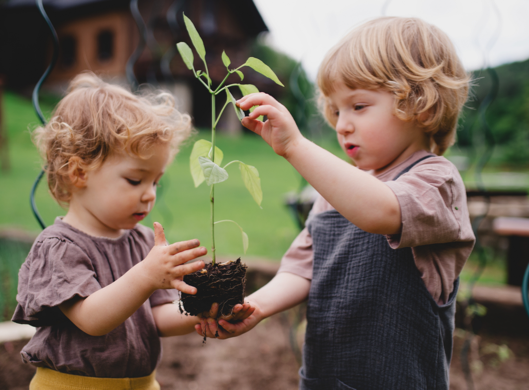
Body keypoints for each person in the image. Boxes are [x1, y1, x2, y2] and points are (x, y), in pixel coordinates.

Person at [197, 17, 475, 390]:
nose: (342, 124)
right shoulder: (333, 193)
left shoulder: (436, 181)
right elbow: (302, 269)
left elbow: (382, 211)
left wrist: (295, 147)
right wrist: (257, 306)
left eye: (358, 106)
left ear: (420, 105)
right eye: (336, 110)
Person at [11, 72, 210, 390]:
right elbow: (92, 319)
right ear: (78, 172)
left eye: (155, 181)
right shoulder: (59, 247)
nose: (150, 194)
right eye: (135, 180)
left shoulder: (144, 242)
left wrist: (201, 310)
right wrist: (146, 275)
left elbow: (158, 317)